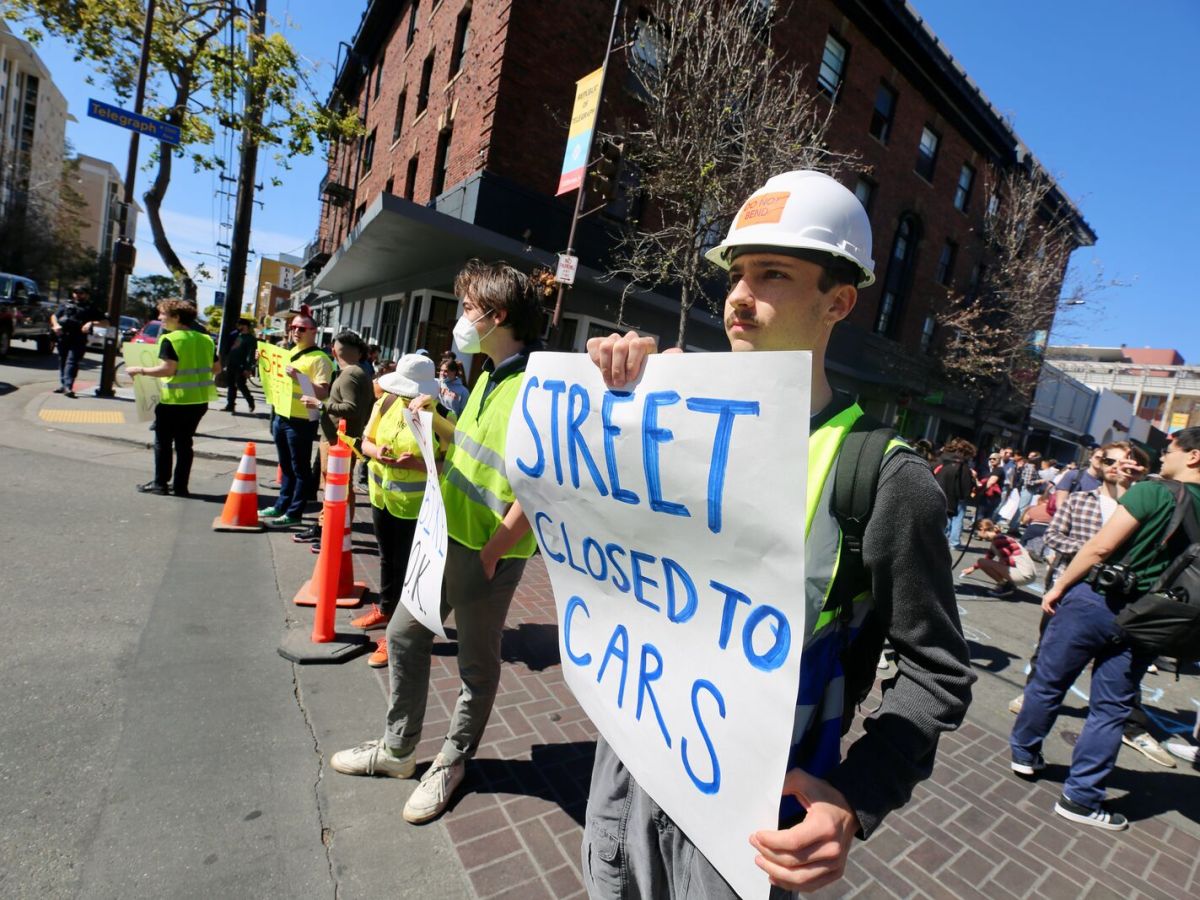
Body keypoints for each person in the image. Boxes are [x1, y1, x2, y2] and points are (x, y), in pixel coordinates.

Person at [583, 171, 973, 895]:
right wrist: (614, 405)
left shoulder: (886, 477)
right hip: (626, 775)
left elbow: (937, 669)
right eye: (736, 273)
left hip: (751, 823)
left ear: (839, 300)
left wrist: (856, 799)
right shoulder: (665, 412)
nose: (738, 295)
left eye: (772, 274)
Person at [331, 260, 545, 827]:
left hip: (485, 552)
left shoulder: (535, 386)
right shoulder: (490, 374)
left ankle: (451, 762)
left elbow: (544, 482)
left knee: (477, 665)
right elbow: (479, 450)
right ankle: (399, 751)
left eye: (468, 306)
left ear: (497, 316)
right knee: (403, 636)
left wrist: (497, 548)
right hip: (444, 540)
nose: (460, 317)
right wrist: (441, 423)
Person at [1010, 427, 1200, 830]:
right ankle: (1081, 799)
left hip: (1098, 600)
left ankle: (1024, 755)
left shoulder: (1153, 491)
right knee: (1112, 708)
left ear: (1194, 456)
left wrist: (1061, 585)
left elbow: (1099, 546)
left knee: (1049, 681)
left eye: (1171, 449)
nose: (1164, 456)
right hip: (1154, 617)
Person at [1008, 443, 1174, 768]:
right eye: (1107, 459)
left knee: (1116, 692)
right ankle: (1027, 733)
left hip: (1126, 605)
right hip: (1073, 589)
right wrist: (1091, 551)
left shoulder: (1151, 500)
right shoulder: (1083, 500)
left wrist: (1103, 549)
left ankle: (1129, 728)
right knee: (1049, 667)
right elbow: (1054, 535)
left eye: (1126, 461)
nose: (1115, 466)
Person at [347, 353, 443, 667]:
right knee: (388, 560)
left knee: (408, 572)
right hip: (381, 497)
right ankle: (386, 609)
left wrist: (419, 463)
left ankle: (395, 636)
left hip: (416, 509)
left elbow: (454, 464)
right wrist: (378, 452)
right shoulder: (385, 402)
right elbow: (365, 441)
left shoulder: (440, 415)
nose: (406, 396)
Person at [126, 299, 218, 496]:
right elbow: (217, 368)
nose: (160, 318)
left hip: (174, 400)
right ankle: (180, 486)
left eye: (163, 314)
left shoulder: (171, 339)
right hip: (199, 401)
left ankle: (160, 484)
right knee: (185, 444)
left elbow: (167, 369)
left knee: (163, 442)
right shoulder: (206, 340)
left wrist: (139, 369)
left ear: (176, 317)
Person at [294, 330, 375, 546]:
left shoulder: (351, 374)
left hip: (341, 441)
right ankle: (324, 526)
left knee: (339, 488)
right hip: (337, 439)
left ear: (334, 350)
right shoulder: (355, 372)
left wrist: (320, 405)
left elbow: (352, 408)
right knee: (335, 486)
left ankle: (335, 531)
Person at [260, 309, 333, 527]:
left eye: (301, 328)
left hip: (301, 419)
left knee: (300, 468)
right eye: (293, 327)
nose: (295, 332)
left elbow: (322, 392)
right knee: (286, 466)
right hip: (282, 415)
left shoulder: (320, 359)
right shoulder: (290, 352)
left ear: (313, 331)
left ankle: (294, 512)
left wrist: (299, 377)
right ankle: (282, 505)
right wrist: (263, 362)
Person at [50, 283, 107, 398]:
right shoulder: (66, 304)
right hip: (63, 336)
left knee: (72, 362)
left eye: (81, 293)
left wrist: (91, 323)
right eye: (76, 292)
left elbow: (105, 322)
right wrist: (55, 325)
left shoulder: (91, 308)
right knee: (62, 360)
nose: (78, 295)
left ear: (86, 295)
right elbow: (54, 316)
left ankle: (68, 386)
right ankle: (64, 385)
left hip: (79, 338)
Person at [960, 518, 1037, 598]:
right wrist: (972, 568)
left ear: (982, 529)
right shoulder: (1000, 538)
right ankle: (1009, 584)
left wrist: (1000, 566)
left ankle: (1005, 587)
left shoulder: (999, 540)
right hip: (1028, 574)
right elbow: (988, 557)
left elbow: (1008, 560)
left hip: (1024, 575)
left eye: (976, 532)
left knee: (982, 561)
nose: (977, 535)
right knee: (985, 562)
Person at [934, 437, 977, 550]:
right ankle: (953, 542)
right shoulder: (963, 466)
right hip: (955, 496)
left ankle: (939, 540)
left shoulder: (942, 460)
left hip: (939, 492)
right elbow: (965, 487)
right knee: (957, 516)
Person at [222, 319, 257, 413]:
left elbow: (251, 354)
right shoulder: (236, 335)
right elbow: (229, 346)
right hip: (231, 363)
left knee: (241, 384)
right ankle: (230, 405)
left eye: (239, 325)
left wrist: (248, 368)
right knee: (231, 385)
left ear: (245, 326)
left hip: (241, 365)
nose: (237, 327)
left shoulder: (250, 339)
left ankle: (250, 401)